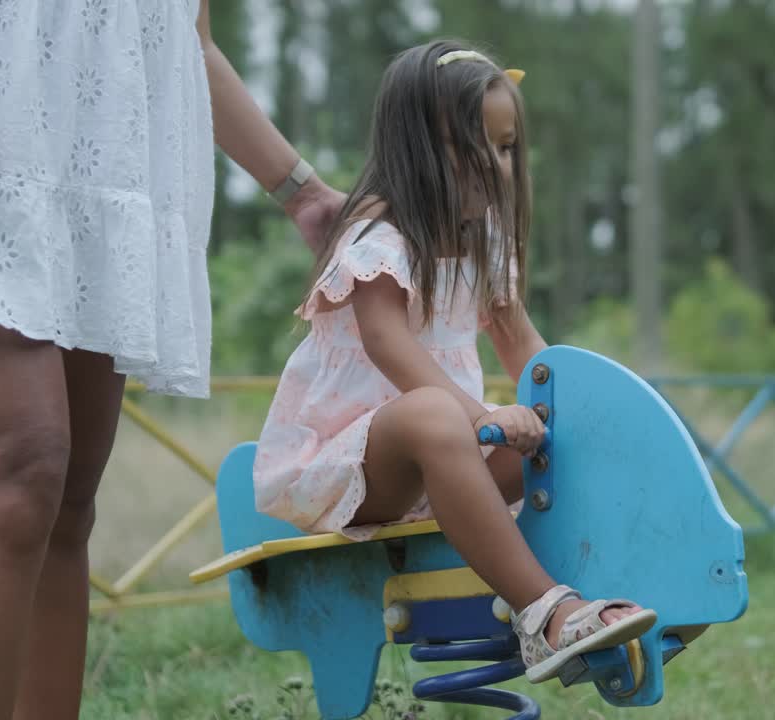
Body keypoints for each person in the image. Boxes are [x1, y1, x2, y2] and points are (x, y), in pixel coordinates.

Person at [0, 2, 344, 718]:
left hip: (110, 144)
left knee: (68, 500)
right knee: (16, 469)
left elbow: (183, 39)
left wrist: (303, 193)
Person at [252, 39, 656, 684]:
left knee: (564, 434)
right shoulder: (377, 238)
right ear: (417, 148)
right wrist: (482, 414)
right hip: (350, 466)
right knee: (436, 414)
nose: (497, 166)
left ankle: (625, 581)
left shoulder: (485, 242)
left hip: (451, 457)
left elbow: (524, 344)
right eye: (475, 150)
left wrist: (590, 409)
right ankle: (546, 616)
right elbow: (389, 343)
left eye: (505, 148)